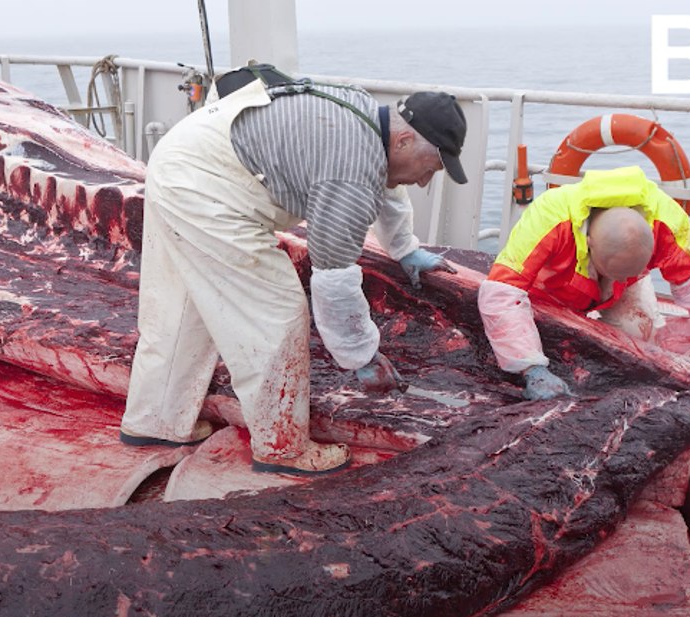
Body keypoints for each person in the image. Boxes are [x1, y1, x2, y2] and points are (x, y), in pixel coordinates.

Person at [118, 74, 468, 475]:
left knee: (183, 307)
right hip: (208, 187)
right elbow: (334, 276)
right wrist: (361, 356)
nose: (426, 181)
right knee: (277, 312)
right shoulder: (351, 173)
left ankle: (155, 421)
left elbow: (387, 186)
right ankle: (281, 448)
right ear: (405, 142)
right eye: (432, 167)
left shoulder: (369, 119)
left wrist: (406, 249)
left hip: (181, 159)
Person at [478, 165, 690, 402]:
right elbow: (502, 292)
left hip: (623, 285)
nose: (616, 279)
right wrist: (531, 367)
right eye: (612, 271)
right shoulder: (549, 217)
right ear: (589, 243)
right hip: (552, 288)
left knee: (636, 334)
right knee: (545, 344)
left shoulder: (667, 222)